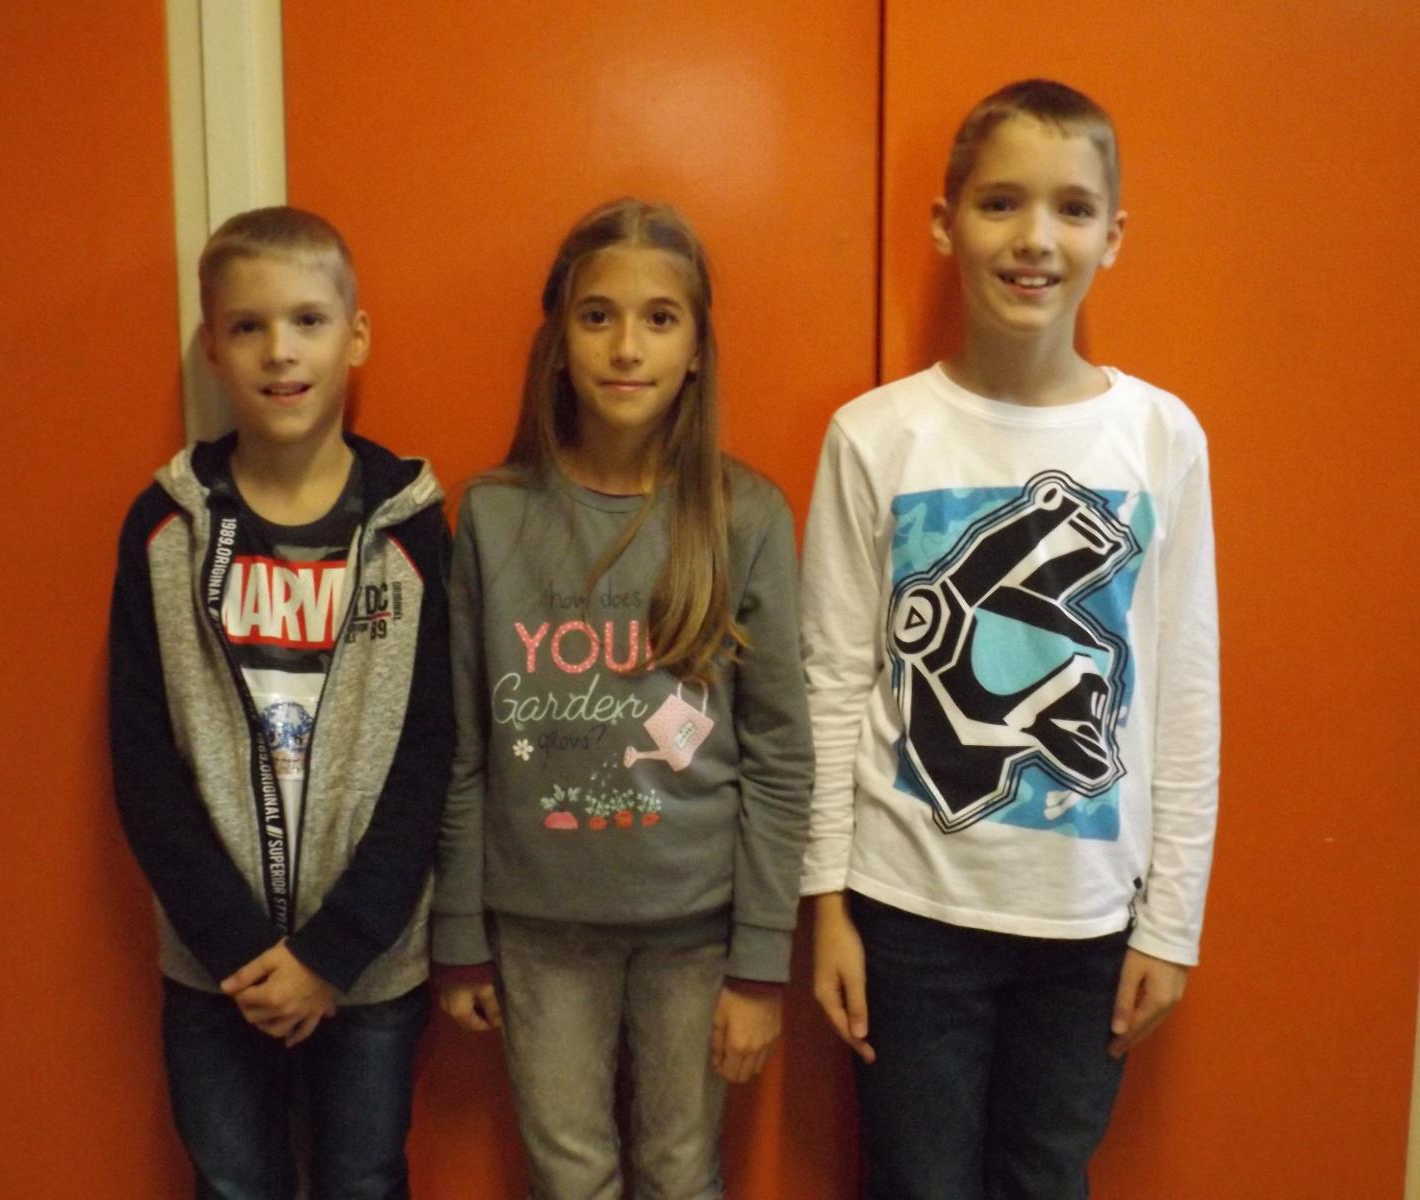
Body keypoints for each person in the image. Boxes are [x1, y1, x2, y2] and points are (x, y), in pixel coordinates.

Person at [801, 80, 1220, 1199]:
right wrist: (825, 902)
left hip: (1088, 922)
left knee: (1046, 1179)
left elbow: (1184, 691)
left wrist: (1171, 925)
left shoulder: (1159, 437)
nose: (1035, 238)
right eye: (1000, 203)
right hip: (907, 911)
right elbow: (831, 680)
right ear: (946, 224)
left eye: (1071, 209)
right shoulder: (875, 435)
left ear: (1112, 236)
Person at [431, 198, 814, 1200]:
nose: (627, 346)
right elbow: (463, 751)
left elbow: (781, 759)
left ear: (696, 352)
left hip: (697, 928)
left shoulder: (745, 517)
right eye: (597, 316)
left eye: (660, 318)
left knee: (681, 1171)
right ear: (558, 344)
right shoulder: (493, 517)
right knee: (569, 1176)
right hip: (537, 928)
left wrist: (760, 965)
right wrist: (459, 936)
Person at [109, 206, 452, 1200]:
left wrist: (332, 953)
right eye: (248, 326)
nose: (279, 351)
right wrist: (237, 944)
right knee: (231, 1182)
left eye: (307, 320)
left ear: (356, 336)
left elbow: (428, 755)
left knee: (364, 1179)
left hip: (369, 961)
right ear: (211, 348)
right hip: (214, 964)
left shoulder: (410, 531)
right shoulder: (166, 528)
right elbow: (143, 758)